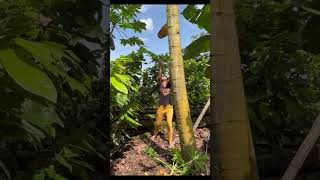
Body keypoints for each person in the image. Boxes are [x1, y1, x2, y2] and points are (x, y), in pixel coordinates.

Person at [150, 60, 174, 148]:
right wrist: (160, 66)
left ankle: (170, 142)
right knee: (157, 123)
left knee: (169, 123)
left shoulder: (169, 85)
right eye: (162, 78)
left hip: (169, 107)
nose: (163, 78)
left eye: (165, 78)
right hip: (160, 107)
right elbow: (159, 75)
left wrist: (171, 66)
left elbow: (171, 76)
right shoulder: (159, 85)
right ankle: (154, 134)